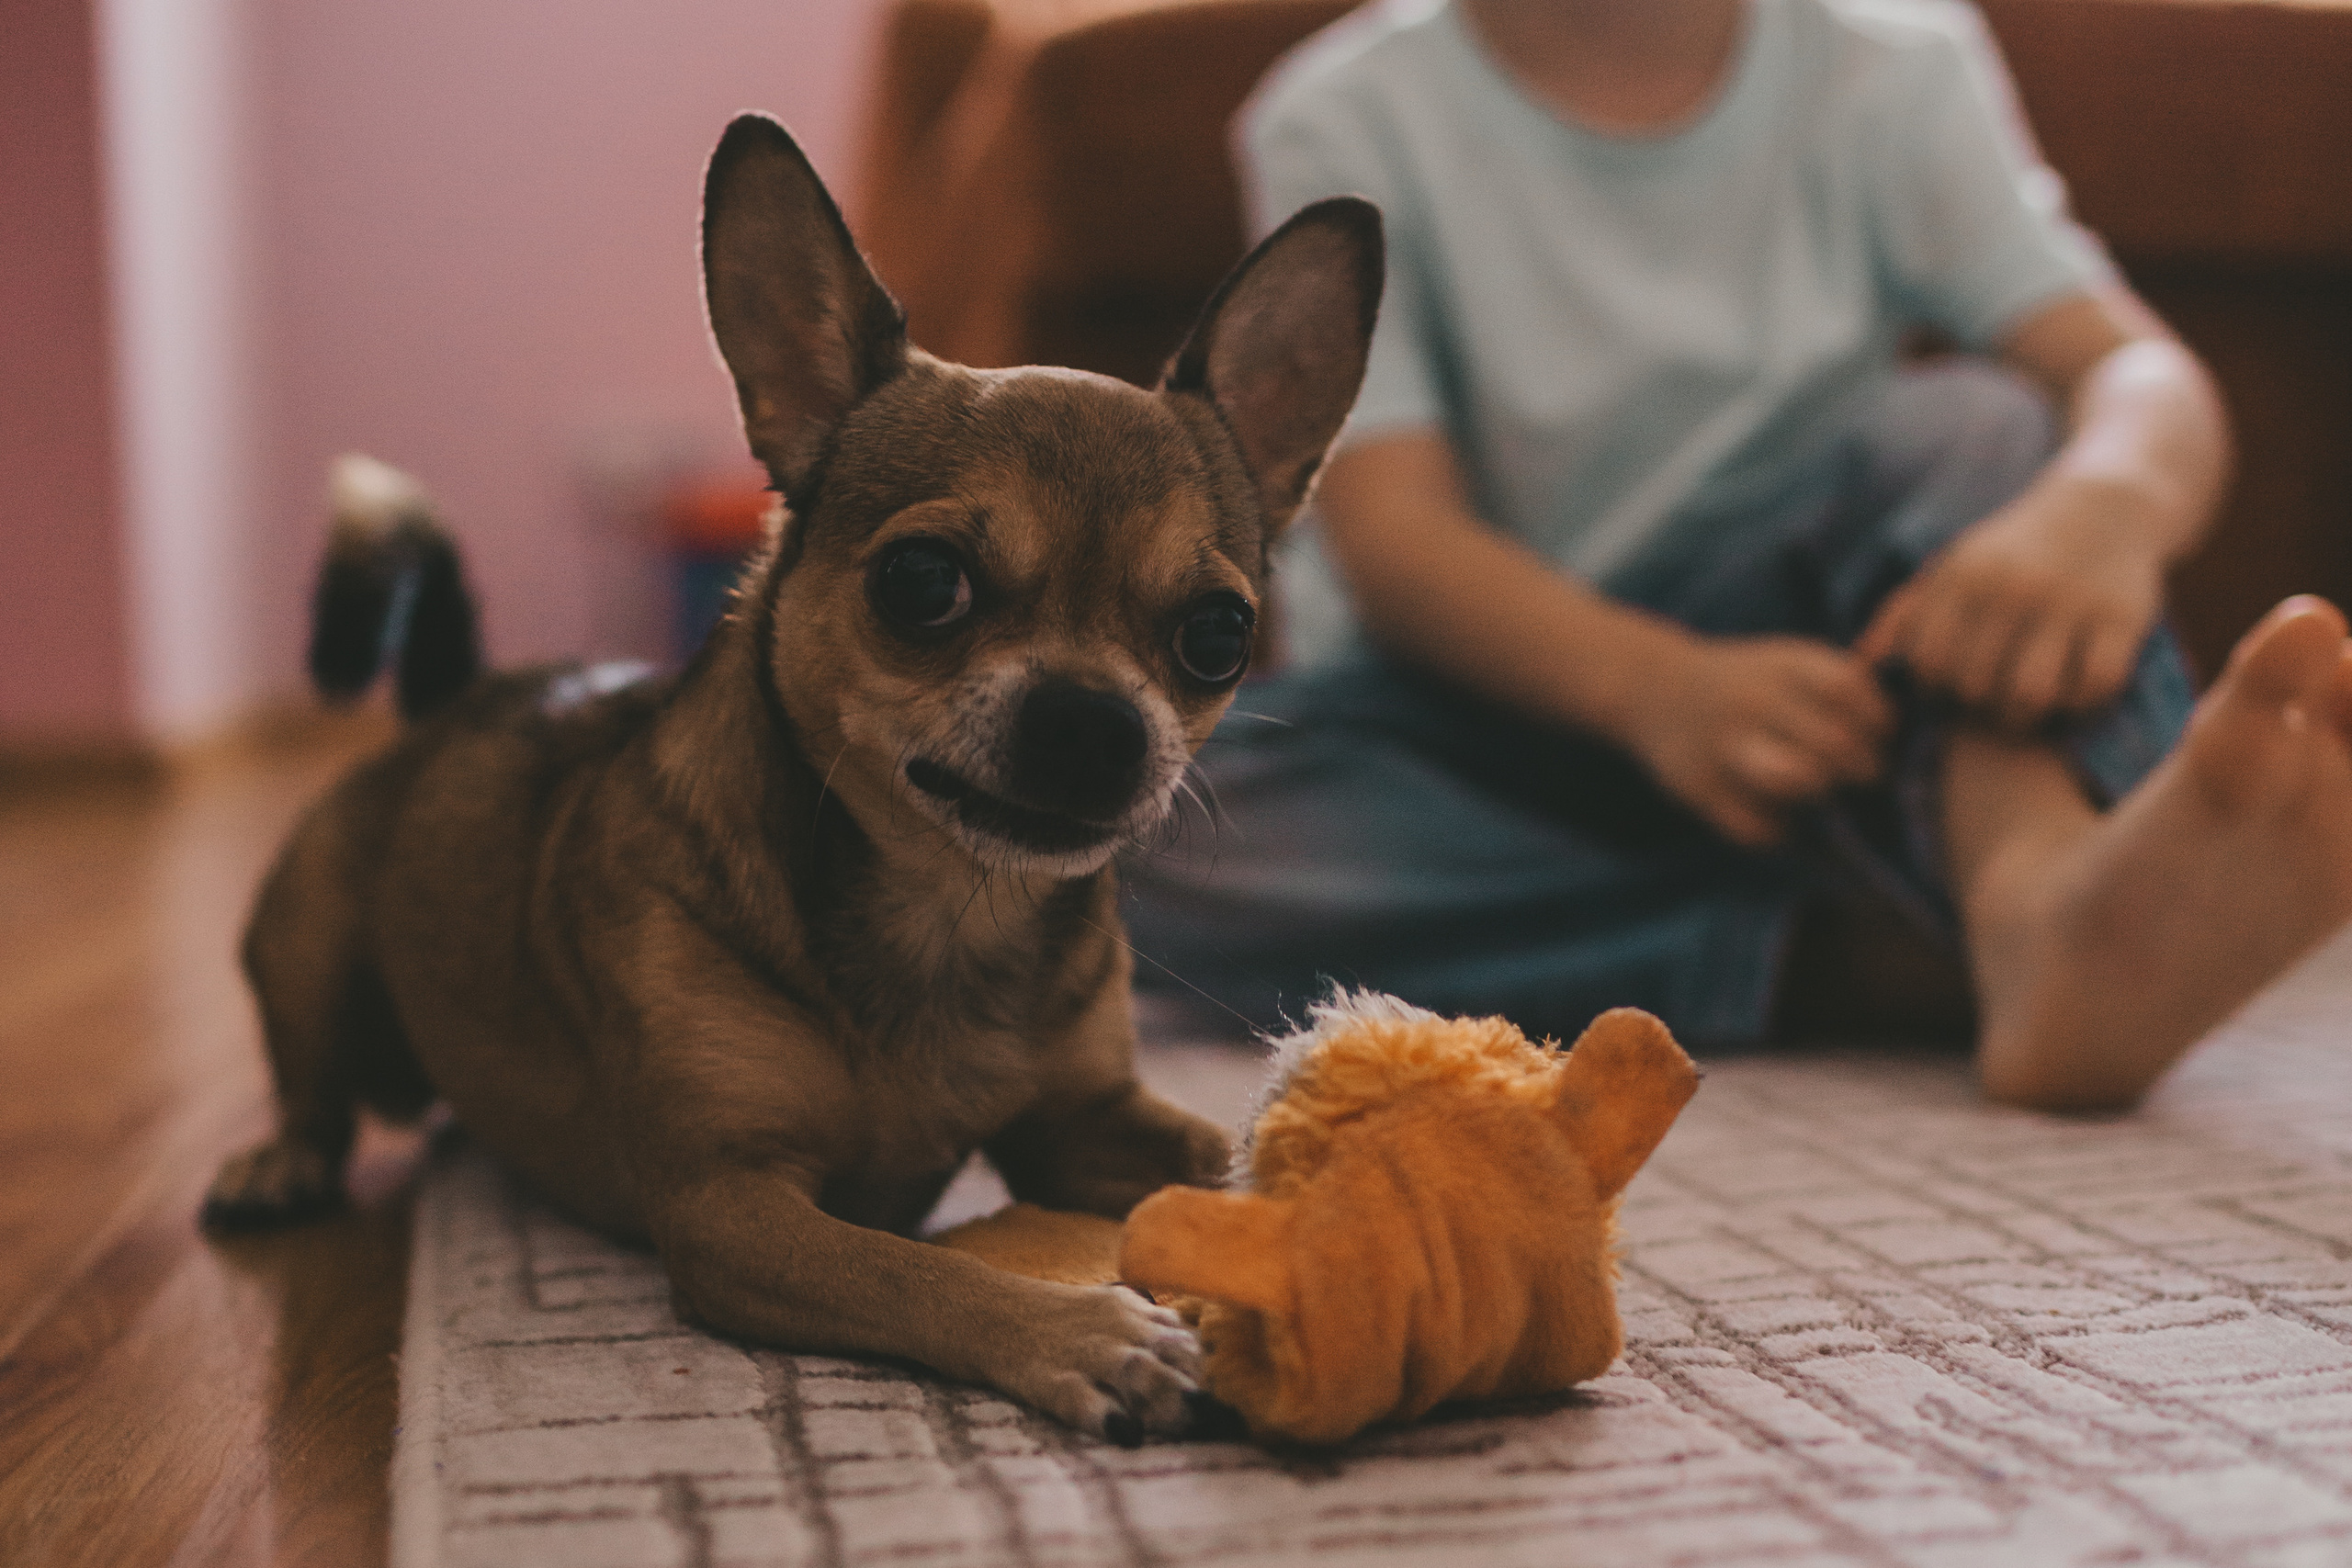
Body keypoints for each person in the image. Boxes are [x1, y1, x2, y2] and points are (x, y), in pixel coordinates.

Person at [1122, 0, 2352, 1110]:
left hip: (1839, 678)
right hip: (1485, 712)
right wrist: (1656, 691)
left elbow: (2136, 372)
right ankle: (1923, 949)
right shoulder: (1340, 112)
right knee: (1147, 843)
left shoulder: (1895, 65)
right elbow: (1398, 545)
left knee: (1980, 427)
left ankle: (2035, 903)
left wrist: (2105, 508)